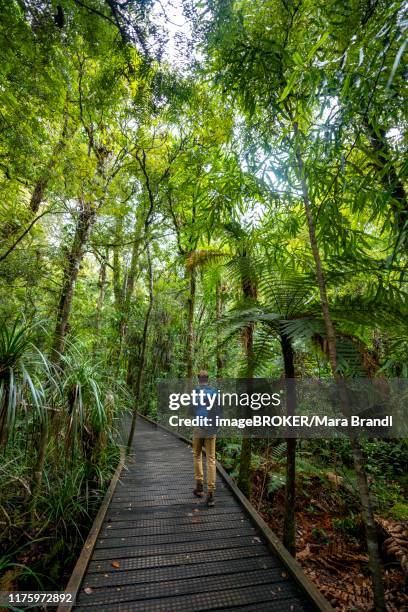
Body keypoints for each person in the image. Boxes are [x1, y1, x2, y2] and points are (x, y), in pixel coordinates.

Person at [191, 370, 219, 508]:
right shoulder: (214, 392)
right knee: (211, 459)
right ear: (208, 379)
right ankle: (211, 494)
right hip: (211, 428)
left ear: (199, 379)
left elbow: (191, 410)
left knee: (196, 455)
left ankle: (199, 486)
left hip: (199, 426)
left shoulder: (195, 392)